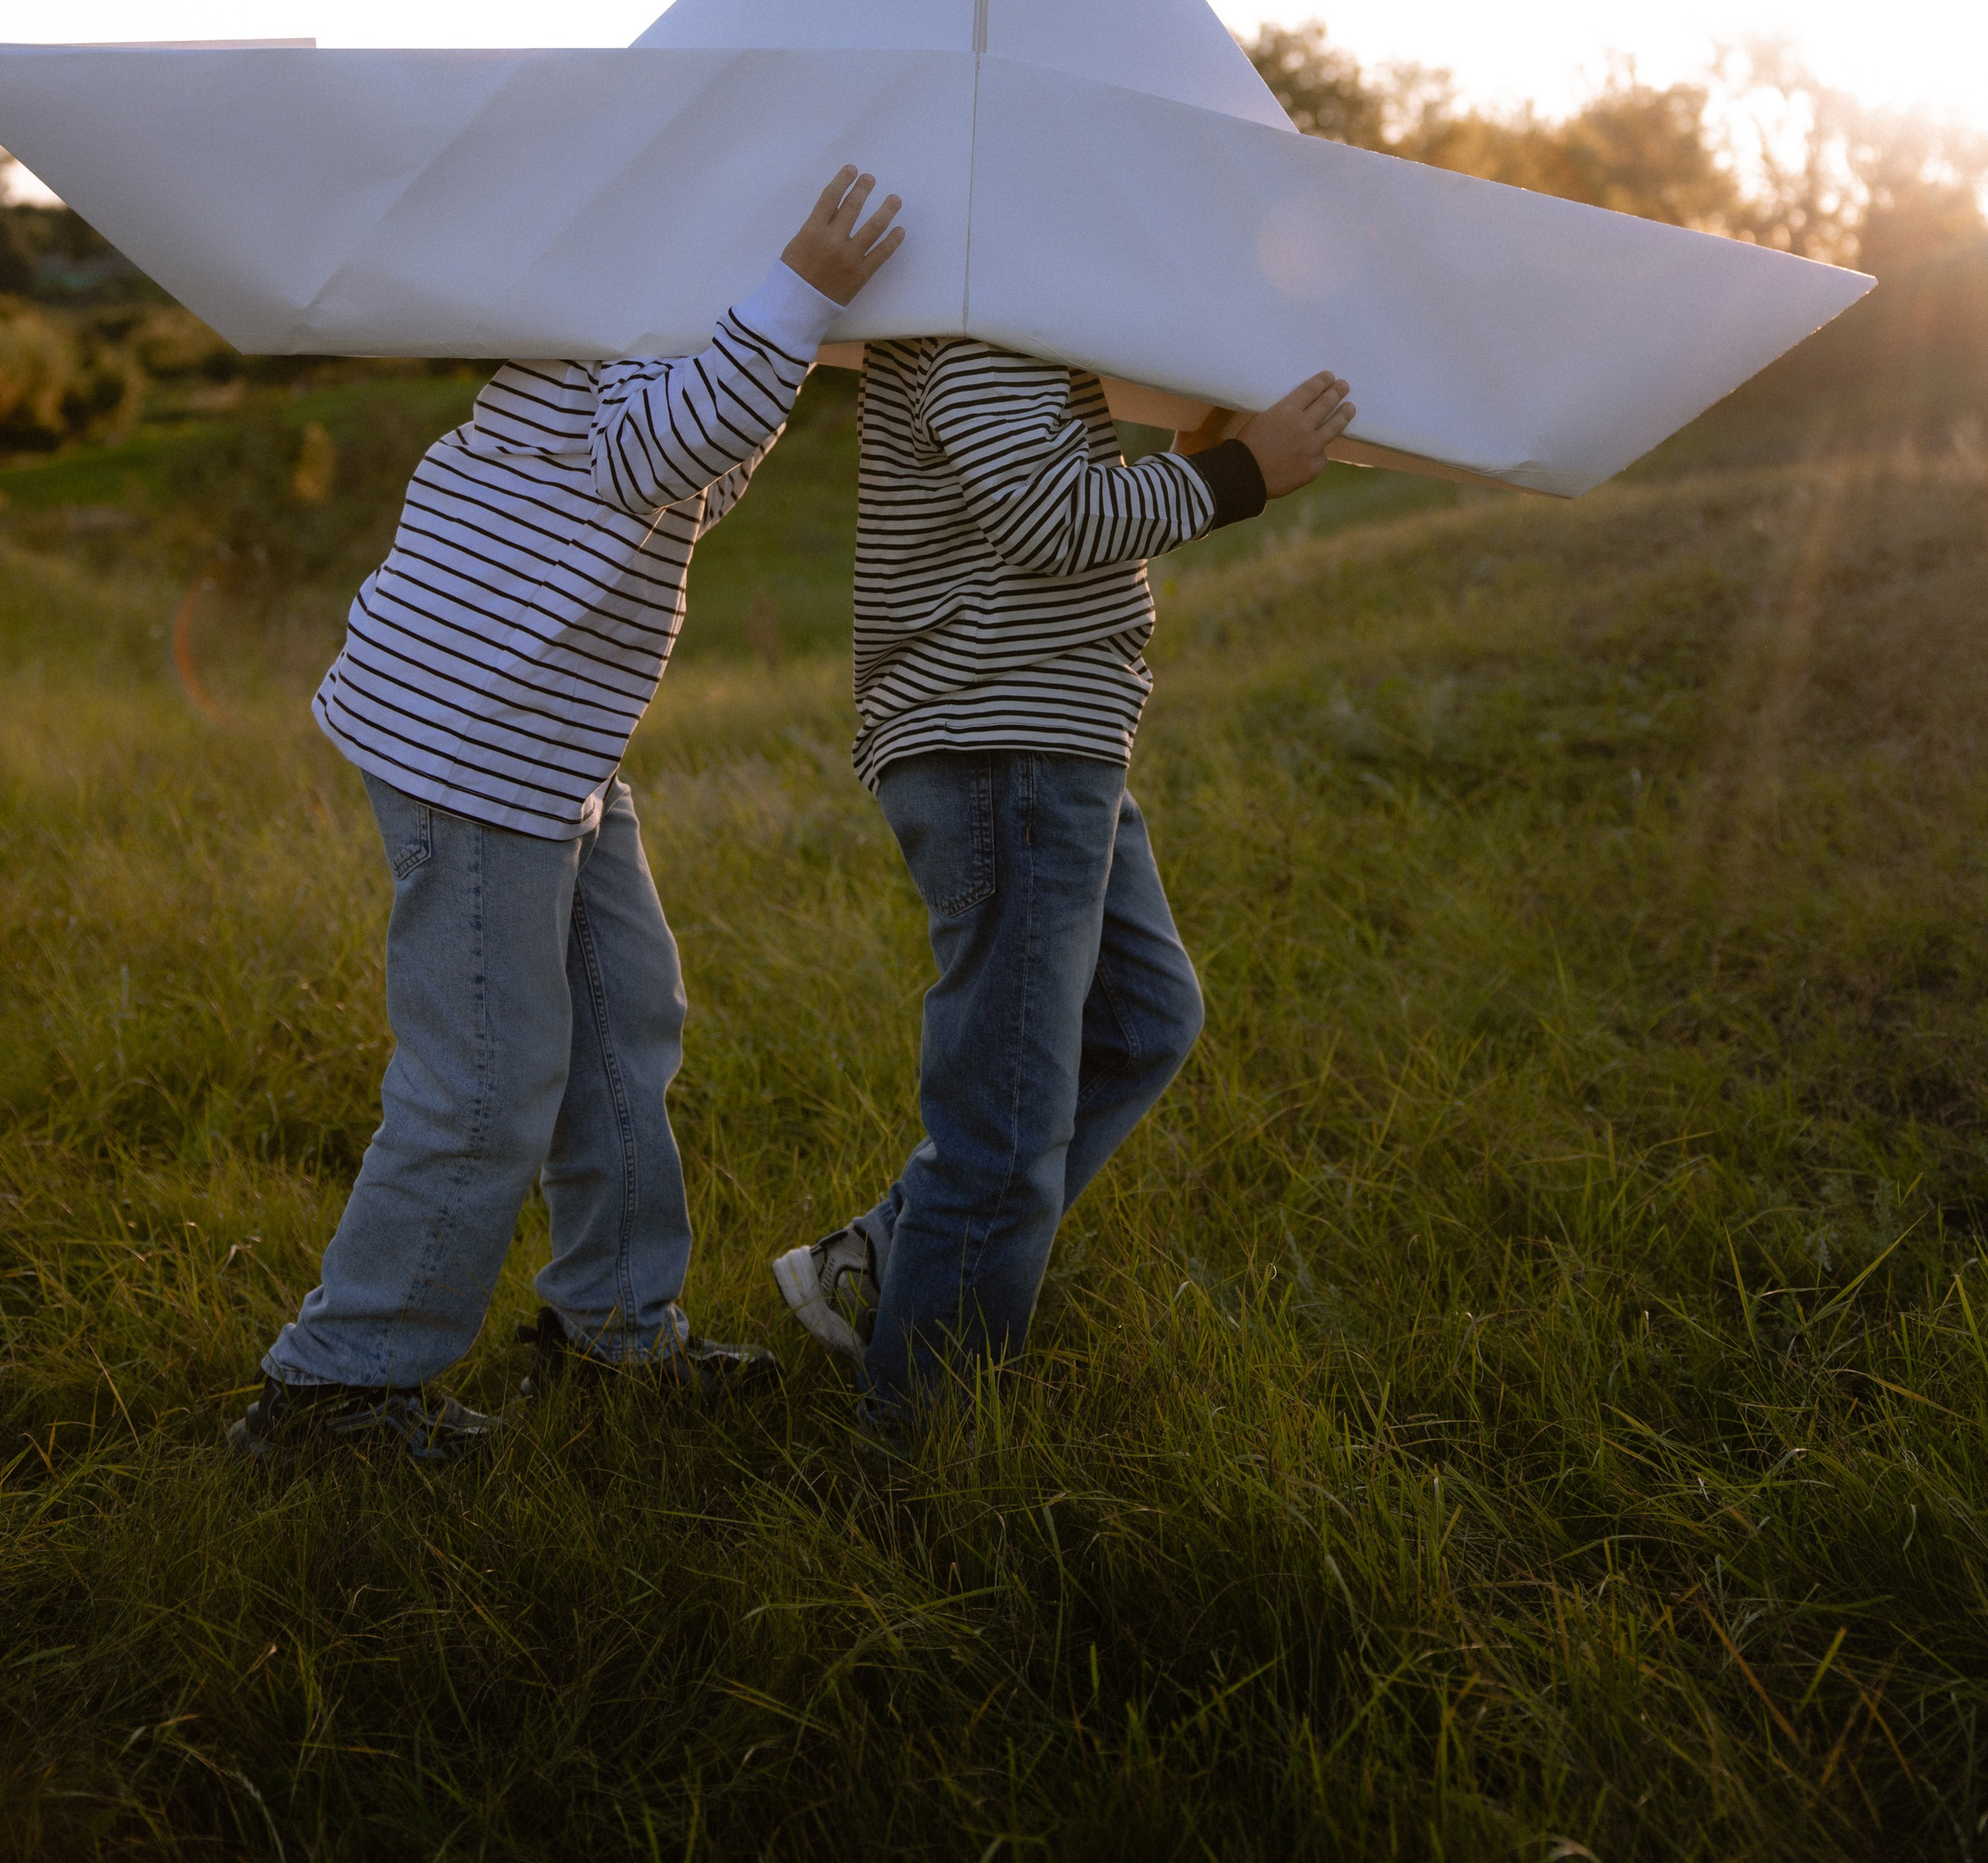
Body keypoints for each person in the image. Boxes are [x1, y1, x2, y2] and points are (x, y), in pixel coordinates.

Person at [229, 165, 905, 1464]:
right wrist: (799, 295)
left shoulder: (691, 286)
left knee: (625, 1019)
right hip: (476, 731)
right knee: (488, 1079)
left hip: (546, 737)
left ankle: (613, 1328)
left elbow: (700, 472)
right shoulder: (644, 270)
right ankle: (336, 1389)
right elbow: (653, 450)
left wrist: (788, 323)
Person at [773, 341, 1355, 1419]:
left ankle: (885, 1257)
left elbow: (1044, 497)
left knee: (1144, 1016)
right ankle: (924, 1435)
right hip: (1008, 742)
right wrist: (1238, 474)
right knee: (1007, 1118)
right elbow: (1047, 519)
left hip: (1054, 737)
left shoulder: (1016, 310)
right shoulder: (978, 308)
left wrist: (1192, 451)